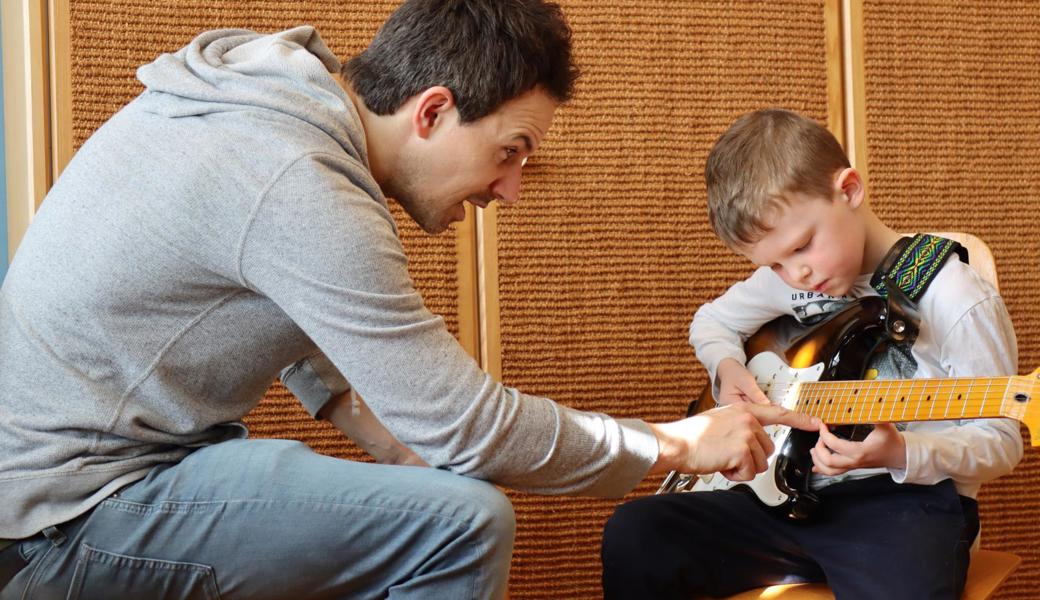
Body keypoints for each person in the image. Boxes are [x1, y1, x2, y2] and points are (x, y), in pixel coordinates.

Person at [0, 3, 817, 598]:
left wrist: (387, 441)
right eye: (509, 152)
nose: (510, 189)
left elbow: (273, 290)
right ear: (432, 110)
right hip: (68, 517)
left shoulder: (269, 111)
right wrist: (673, 444)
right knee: (462, 524)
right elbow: (469, 426)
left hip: (70, 486)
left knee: (423, 496)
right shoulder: (300, 182)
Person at [600, 108, 1024, 599]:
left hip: (907, 506)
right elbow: (711, 321)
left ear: (848, 190)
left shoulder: (954, 295)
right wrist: (727, 367)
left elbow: (1001, 440)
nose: (794, 275)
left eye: (802, 247)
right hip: (785, 498)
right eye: (773, 263)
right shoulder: (787, 280)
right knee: (637, 532)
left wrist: (902, 452)